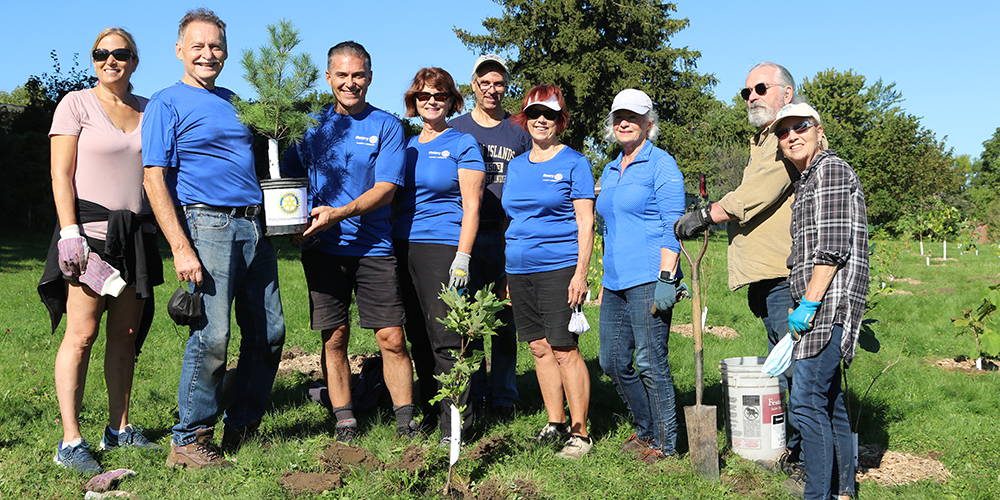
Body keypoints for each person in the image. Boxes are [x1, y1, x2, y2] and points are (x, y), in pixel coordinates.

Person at [142, 8, 286, 469]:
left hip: (254, 226)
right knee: (213, 335)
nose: (208, 53)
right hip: (208, 225)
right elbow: (153, 179)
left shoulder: (235, 100)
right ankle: (189, 439)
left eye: (216, 46)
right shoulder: (166, 102)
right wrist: (182, 247)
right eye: (198, 46)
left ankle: (242, 425)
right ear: (180, 50)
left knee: (270, 332)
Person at [674, 62, 815, 468]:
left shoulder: (788, 137)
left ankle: (808, 457)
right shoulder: (764, 140)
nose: (751, 96)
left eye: (760, 88)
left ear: (786, 94)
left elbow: (757, 192)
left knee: (797, 367)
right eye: (746, 92)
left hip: (785, 273)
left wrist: (706, 215)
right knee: (785, 358)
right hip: (768, 273)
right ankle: (798, 446)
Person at [39, 27, 163, 475]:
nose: (111, 60)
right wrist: (68, 232)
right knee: (83, 334)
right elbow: (61, 175)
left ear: (135, 59)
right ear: (93, 59)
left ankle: (120, 428)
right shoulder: (75, 104)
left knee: (126, 337)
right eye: (101, 53)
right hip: (88, 241)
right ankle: (70, 441)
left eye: (121, 53)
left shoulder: (150, 110)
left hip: (136, 240)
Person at [281, 41, 419, 443]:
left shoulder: (387, 126)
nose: (350, 82)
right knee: (335, 336)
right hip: (324, 250)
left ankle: (405, 421)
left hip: (374, 247)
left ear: (370, 78)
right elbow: (289, 181)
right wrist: (291, 222)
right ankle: (344, 420)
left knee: (391, 337)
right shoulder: (310, 126)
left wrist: (337, 213)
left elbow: (387, 188)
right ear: (328, 78)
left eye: (358, 75)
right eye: (341, 75)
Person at [772, 103, 867, 500]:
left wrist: (808, 304)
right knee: (830, 404)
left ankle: (817, 496)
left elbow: (830, 249)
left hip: (829, 306)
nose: (793, 135)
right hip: (822, 305)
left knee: (806, 403)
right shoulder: (808, 179)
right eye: (784, 131)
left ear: (819, 129)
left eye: (801, 127)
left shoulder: (829, 170)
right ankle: (843, 492)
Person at [392, 67, 485, 444]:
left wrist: (462, 256)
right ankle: (433, 413)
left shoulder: (462, 144)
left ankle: (456, 426)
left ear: (451, 102)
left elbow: (473, 205)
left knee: (446, 337)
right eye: (424, 96)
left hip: (442, 245)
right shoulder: (406, 145)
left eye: (440, 96)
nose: (431, 101)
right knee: (417, 334)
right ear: (413, 101)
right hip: (401, 245)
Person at [503, 85, 595, 459]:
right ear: (525, 119)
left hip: (559, 267)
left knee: (563, 349)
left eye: (550, 115)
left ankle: (581, 434)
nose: (542, 121)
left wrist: (580, 274)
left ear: (561, 121)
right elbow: (513, 217)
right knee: (539, 348)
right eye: (535, 114)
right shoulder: (517, 165)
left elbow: (586, 223)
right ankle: (554, 422)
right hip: (518, 267)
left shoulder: (574, 162)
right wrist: (508, 275)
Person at [595, 89, 684, 465]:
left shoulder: (661, 165)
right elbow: (608, 229)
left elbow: (672, 227)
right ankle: (645, 427)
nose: (624, 123)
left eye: (633, 116)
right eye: (618, 117)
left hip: (650, 276)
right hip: (615, 280)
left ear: (650, 123)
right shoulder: (610, 168)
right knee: (611, 361)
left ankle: (665, 443)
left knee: (650, 361)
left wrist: (667, 277)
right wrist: (602, 281)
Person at [450, 54, 531, 423]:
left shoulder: (518, 130)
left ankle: (503, 397)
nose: (491, 89)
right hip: (465, 235)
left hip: (506, 236)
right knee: (468, 320)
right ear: (474, 86)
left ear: (505, 87)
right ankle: (476, 393)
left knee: (503, 318)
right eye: (485, 83)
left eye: (498, 83)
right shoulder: (456, 129)